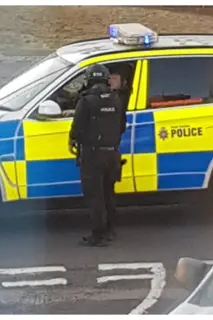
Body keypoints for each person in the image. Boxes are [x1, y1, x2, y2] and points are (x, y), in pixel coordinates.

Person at [68, 63, 126, 247]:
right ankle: (110, 230)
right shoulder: (116, 99)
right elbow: (122, 126)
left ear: (89, 79)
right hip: (112, 153)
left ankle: (98, 236)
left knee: (95, 196)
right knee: (108, 193)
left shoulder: (86, 100)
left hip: (93, 156)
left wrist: (73, 141)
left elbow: (77, 129)